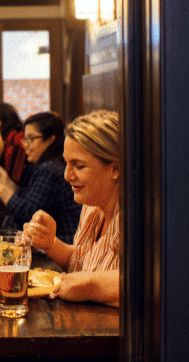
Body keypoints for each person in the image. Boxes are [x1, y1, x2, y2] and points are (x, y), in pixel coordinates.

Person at [23, 110, 121, 307]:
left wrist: (93, 285)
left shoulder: (140, 214)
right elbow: (82, 266)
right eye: (67, 163)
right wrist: (50, 244)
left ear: (115, 169)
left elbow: (156, 282)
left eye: (79, 166)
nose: (67, 175)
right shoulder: (91, 207)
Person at [0, 112, 82, 244]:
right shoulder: (43, 165)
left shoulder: (50, 169)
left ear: (50, 140)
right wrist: (5, 179)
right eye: (25, 139)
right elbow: (28, 198)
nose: (25, 145)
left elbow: (29, 214)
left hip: (60, 248)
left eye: (32, 139)